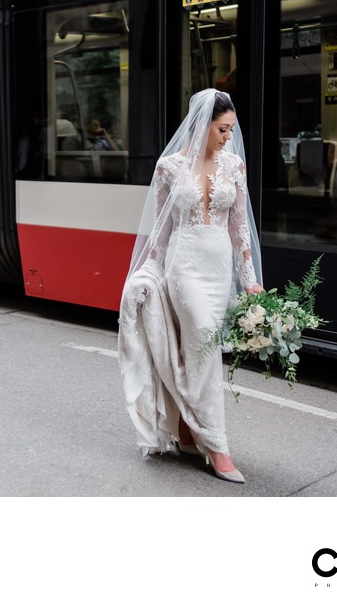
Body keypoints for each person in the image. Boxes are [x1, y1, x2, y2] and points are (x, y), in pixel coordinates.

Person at [118, 88, 263, 483]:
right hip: (183, 266)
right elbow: (161, 228)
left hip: (219, 269)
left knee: (198, 348)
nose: (227, 137)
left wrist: (250, 283)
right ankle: (217, 445)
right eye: (221, 129)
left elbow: (240, 229)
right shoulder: (168, 167)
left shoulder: (234, 166)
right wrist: (147, 271)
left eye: (231, 129)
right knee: (202, 338)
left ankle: (186, 430)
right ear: (201, 125)